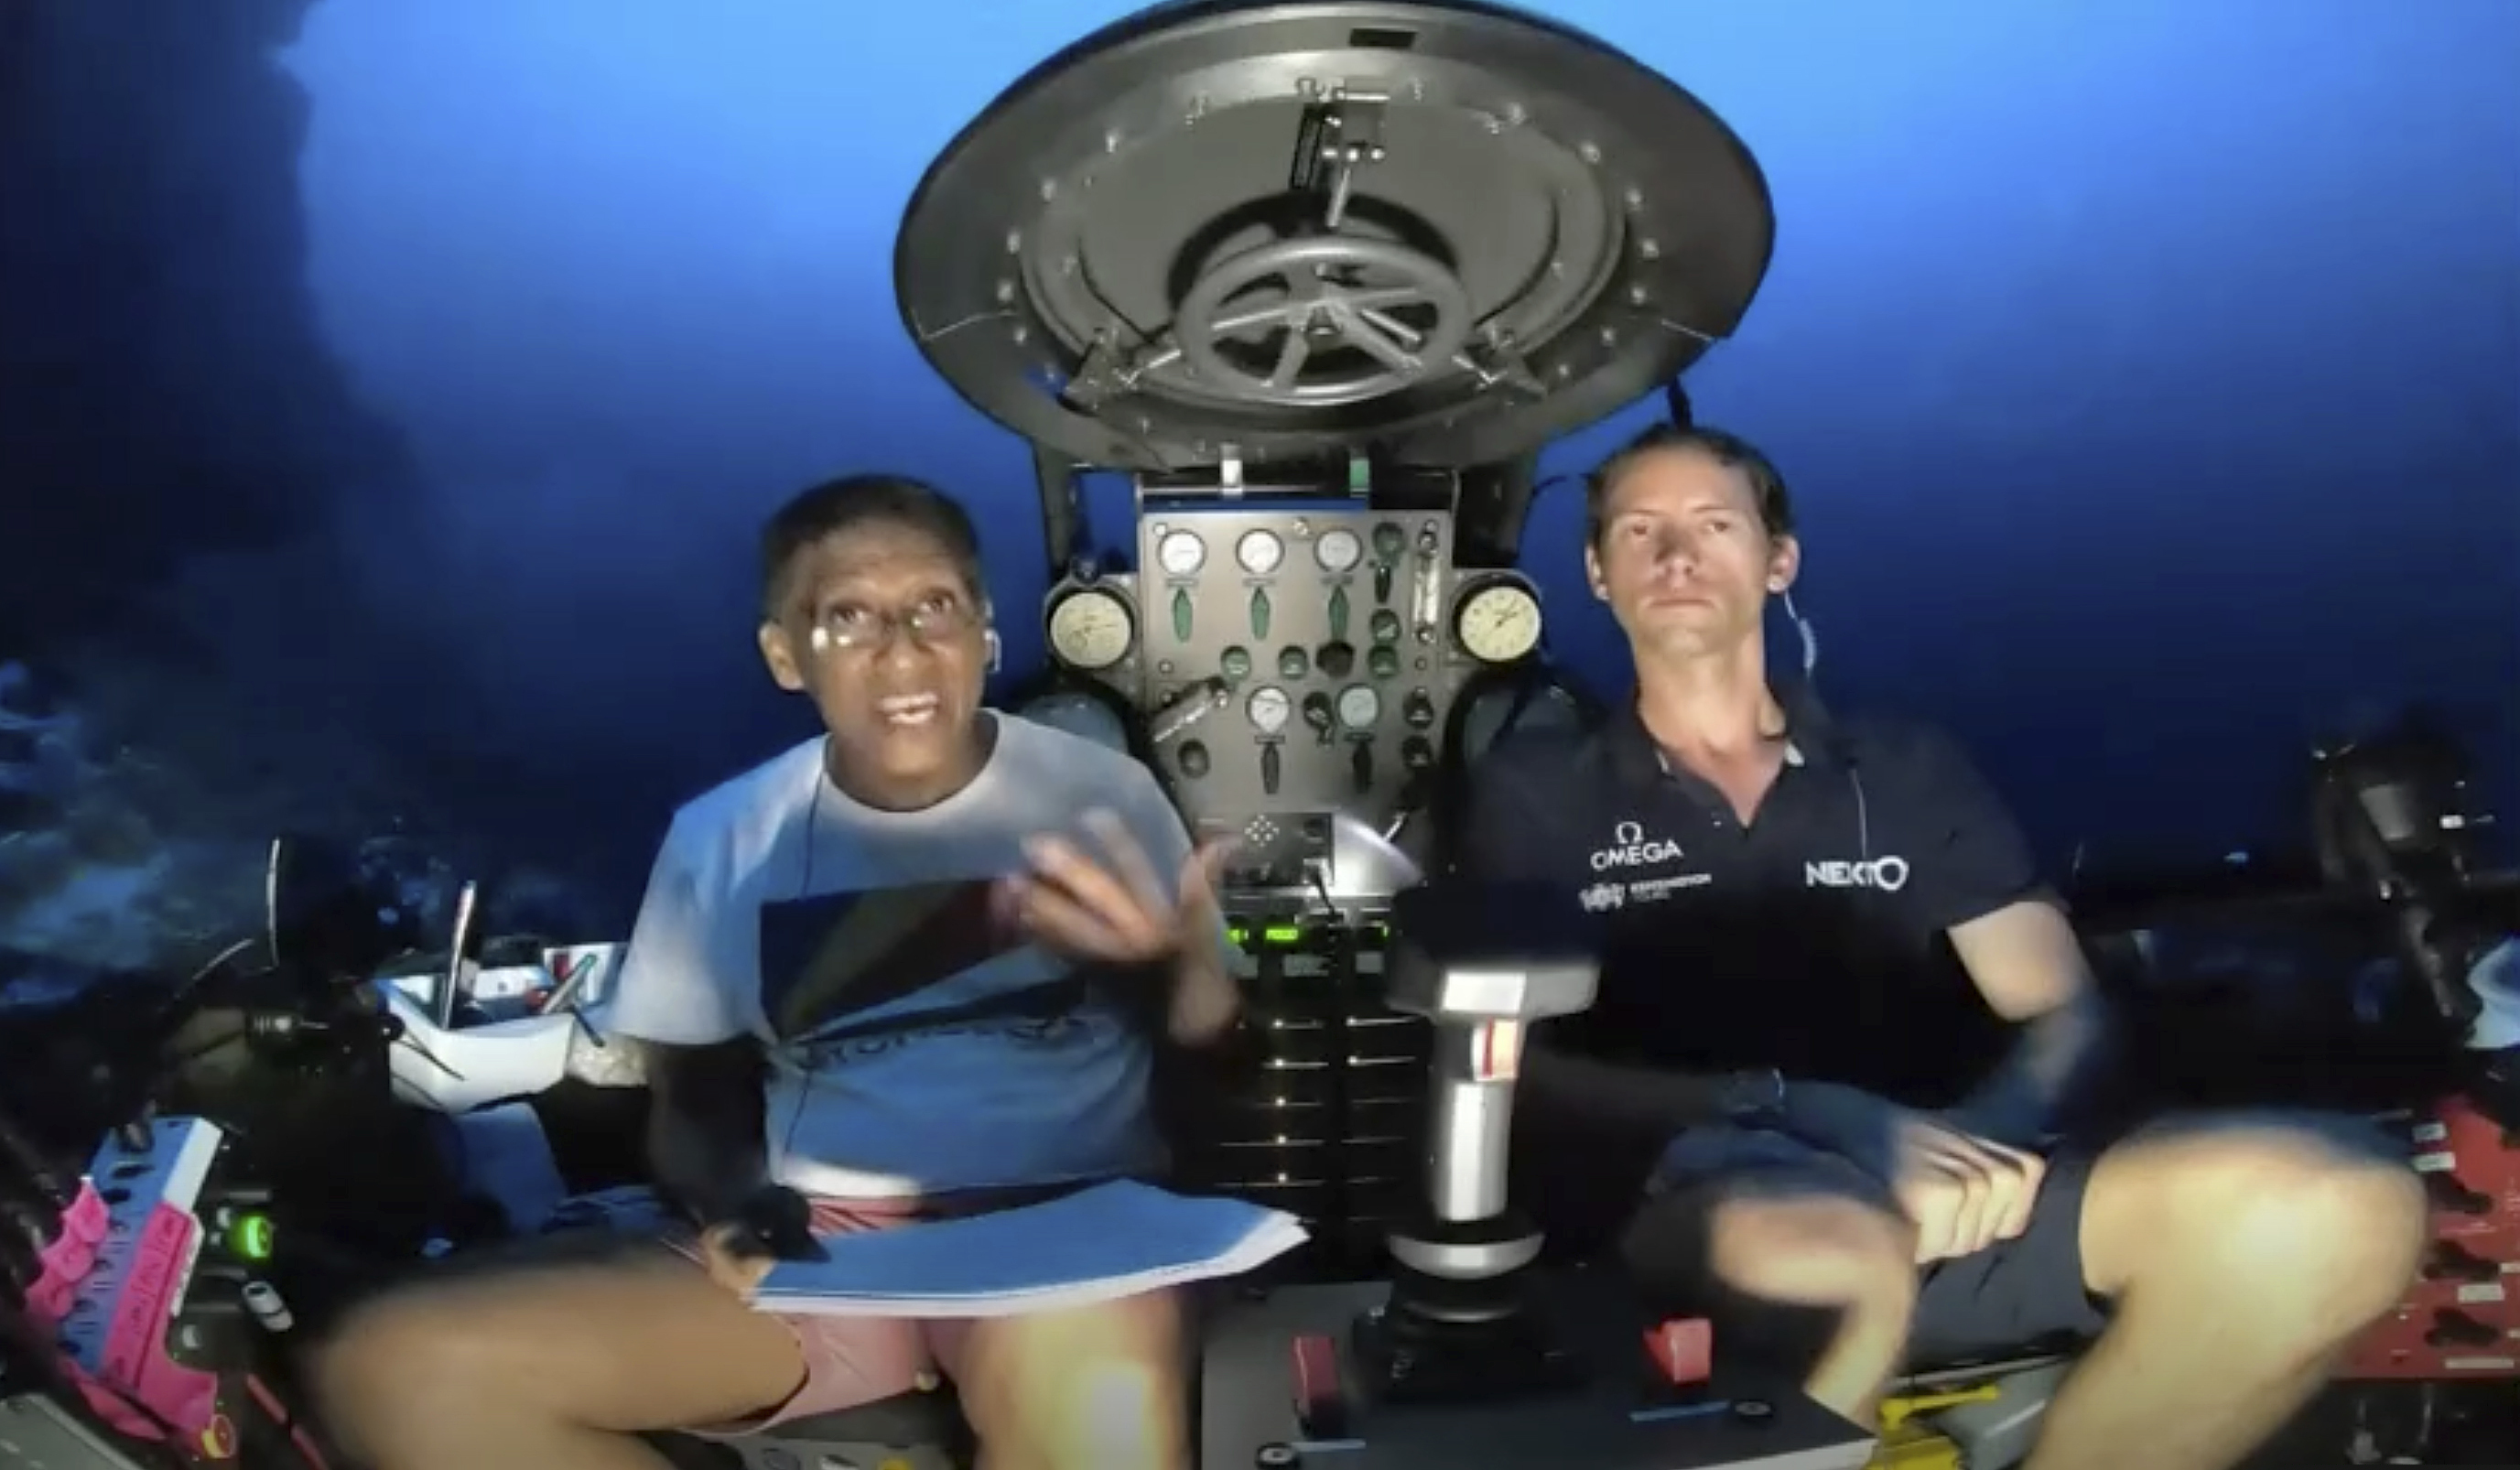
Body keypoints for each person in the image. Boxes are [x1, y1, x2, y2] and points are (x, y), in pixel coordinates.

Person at [1460, 422, 2428, 1470]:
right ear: (1598, 574)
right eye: (1639, 530)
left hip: (1941, 1192)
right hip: (1691, 1203)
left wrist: (1985, 1142)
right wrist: (1802, 1113)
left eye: (1712, 523)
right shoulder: (1533, 792)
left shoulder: (1904, 767)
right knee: (1842, 1254)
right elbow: (1514, 1066)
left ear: (1776, 560)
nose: (1676, 555)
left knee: (2343, 1202)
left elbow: (2059, 1005)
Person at [314, 474, 1238, 1470]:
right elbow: (693, 1095)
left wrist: (1185, 973)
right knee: (392, 1366)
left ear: (985, 630)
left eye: (934, 606)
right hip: (828, 1244)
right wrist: (736, 1198)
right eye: (848, 617)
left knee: (1094, 1406)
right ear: (784, 655)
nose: (901, 648)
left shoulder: (1102, 793)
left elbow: (1212, 1072)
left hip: (1064, 1227)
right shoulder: (722, 838)